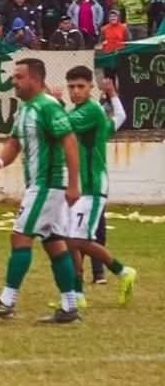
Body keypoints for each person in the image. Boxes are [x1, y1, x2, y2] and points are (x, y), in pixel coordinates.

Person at [0, 58, 82, 323]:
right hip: (39, 185)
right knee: (54, 243)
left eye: (19, 77)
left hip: (48, 184)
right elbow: (14, 143)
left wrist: (73, 184)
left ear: (35, 79)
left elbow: (70, 141)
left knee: (20, 236)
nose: (14, 82)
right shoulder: (24, 110)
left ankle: (7, 301)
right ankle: (69, 307)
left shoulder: (48, 107)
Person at [48, 68, 135, 309]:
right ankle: (77, 295)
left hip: (92, 186)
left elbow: (58, 126)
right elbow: (119, 117)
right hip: (77, 186)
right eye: (71, 87)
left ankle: (122, 271)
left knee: (76, 240)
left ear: (90, 88)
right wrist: (113, 96)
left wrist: (53, 103)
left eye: (80, 86)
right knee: (70, 240)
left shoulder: (91, 111)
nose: (75, 91)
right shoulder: (85, 114)